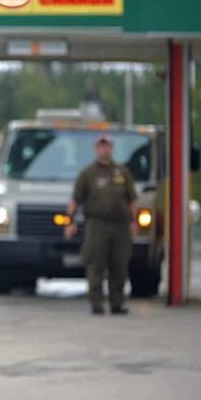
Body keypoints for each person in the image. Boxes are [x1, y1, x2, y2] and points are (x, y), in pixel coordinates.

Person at [63, 134, 138, 315]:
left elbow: (131, 200)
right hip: (97, 225)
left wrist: (134, 221)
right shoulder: (88, 174)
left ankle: (117, 302)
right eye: (100, 146)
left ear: (111, 149)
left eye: (106, 146)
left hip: (120, 225)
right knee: (95, 263)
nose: (104, 149)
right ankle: (96, 302)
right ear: (96, 150)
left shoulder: (122, 172)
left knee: (119, 263)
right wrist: (69, 221)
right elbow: (75, 200)